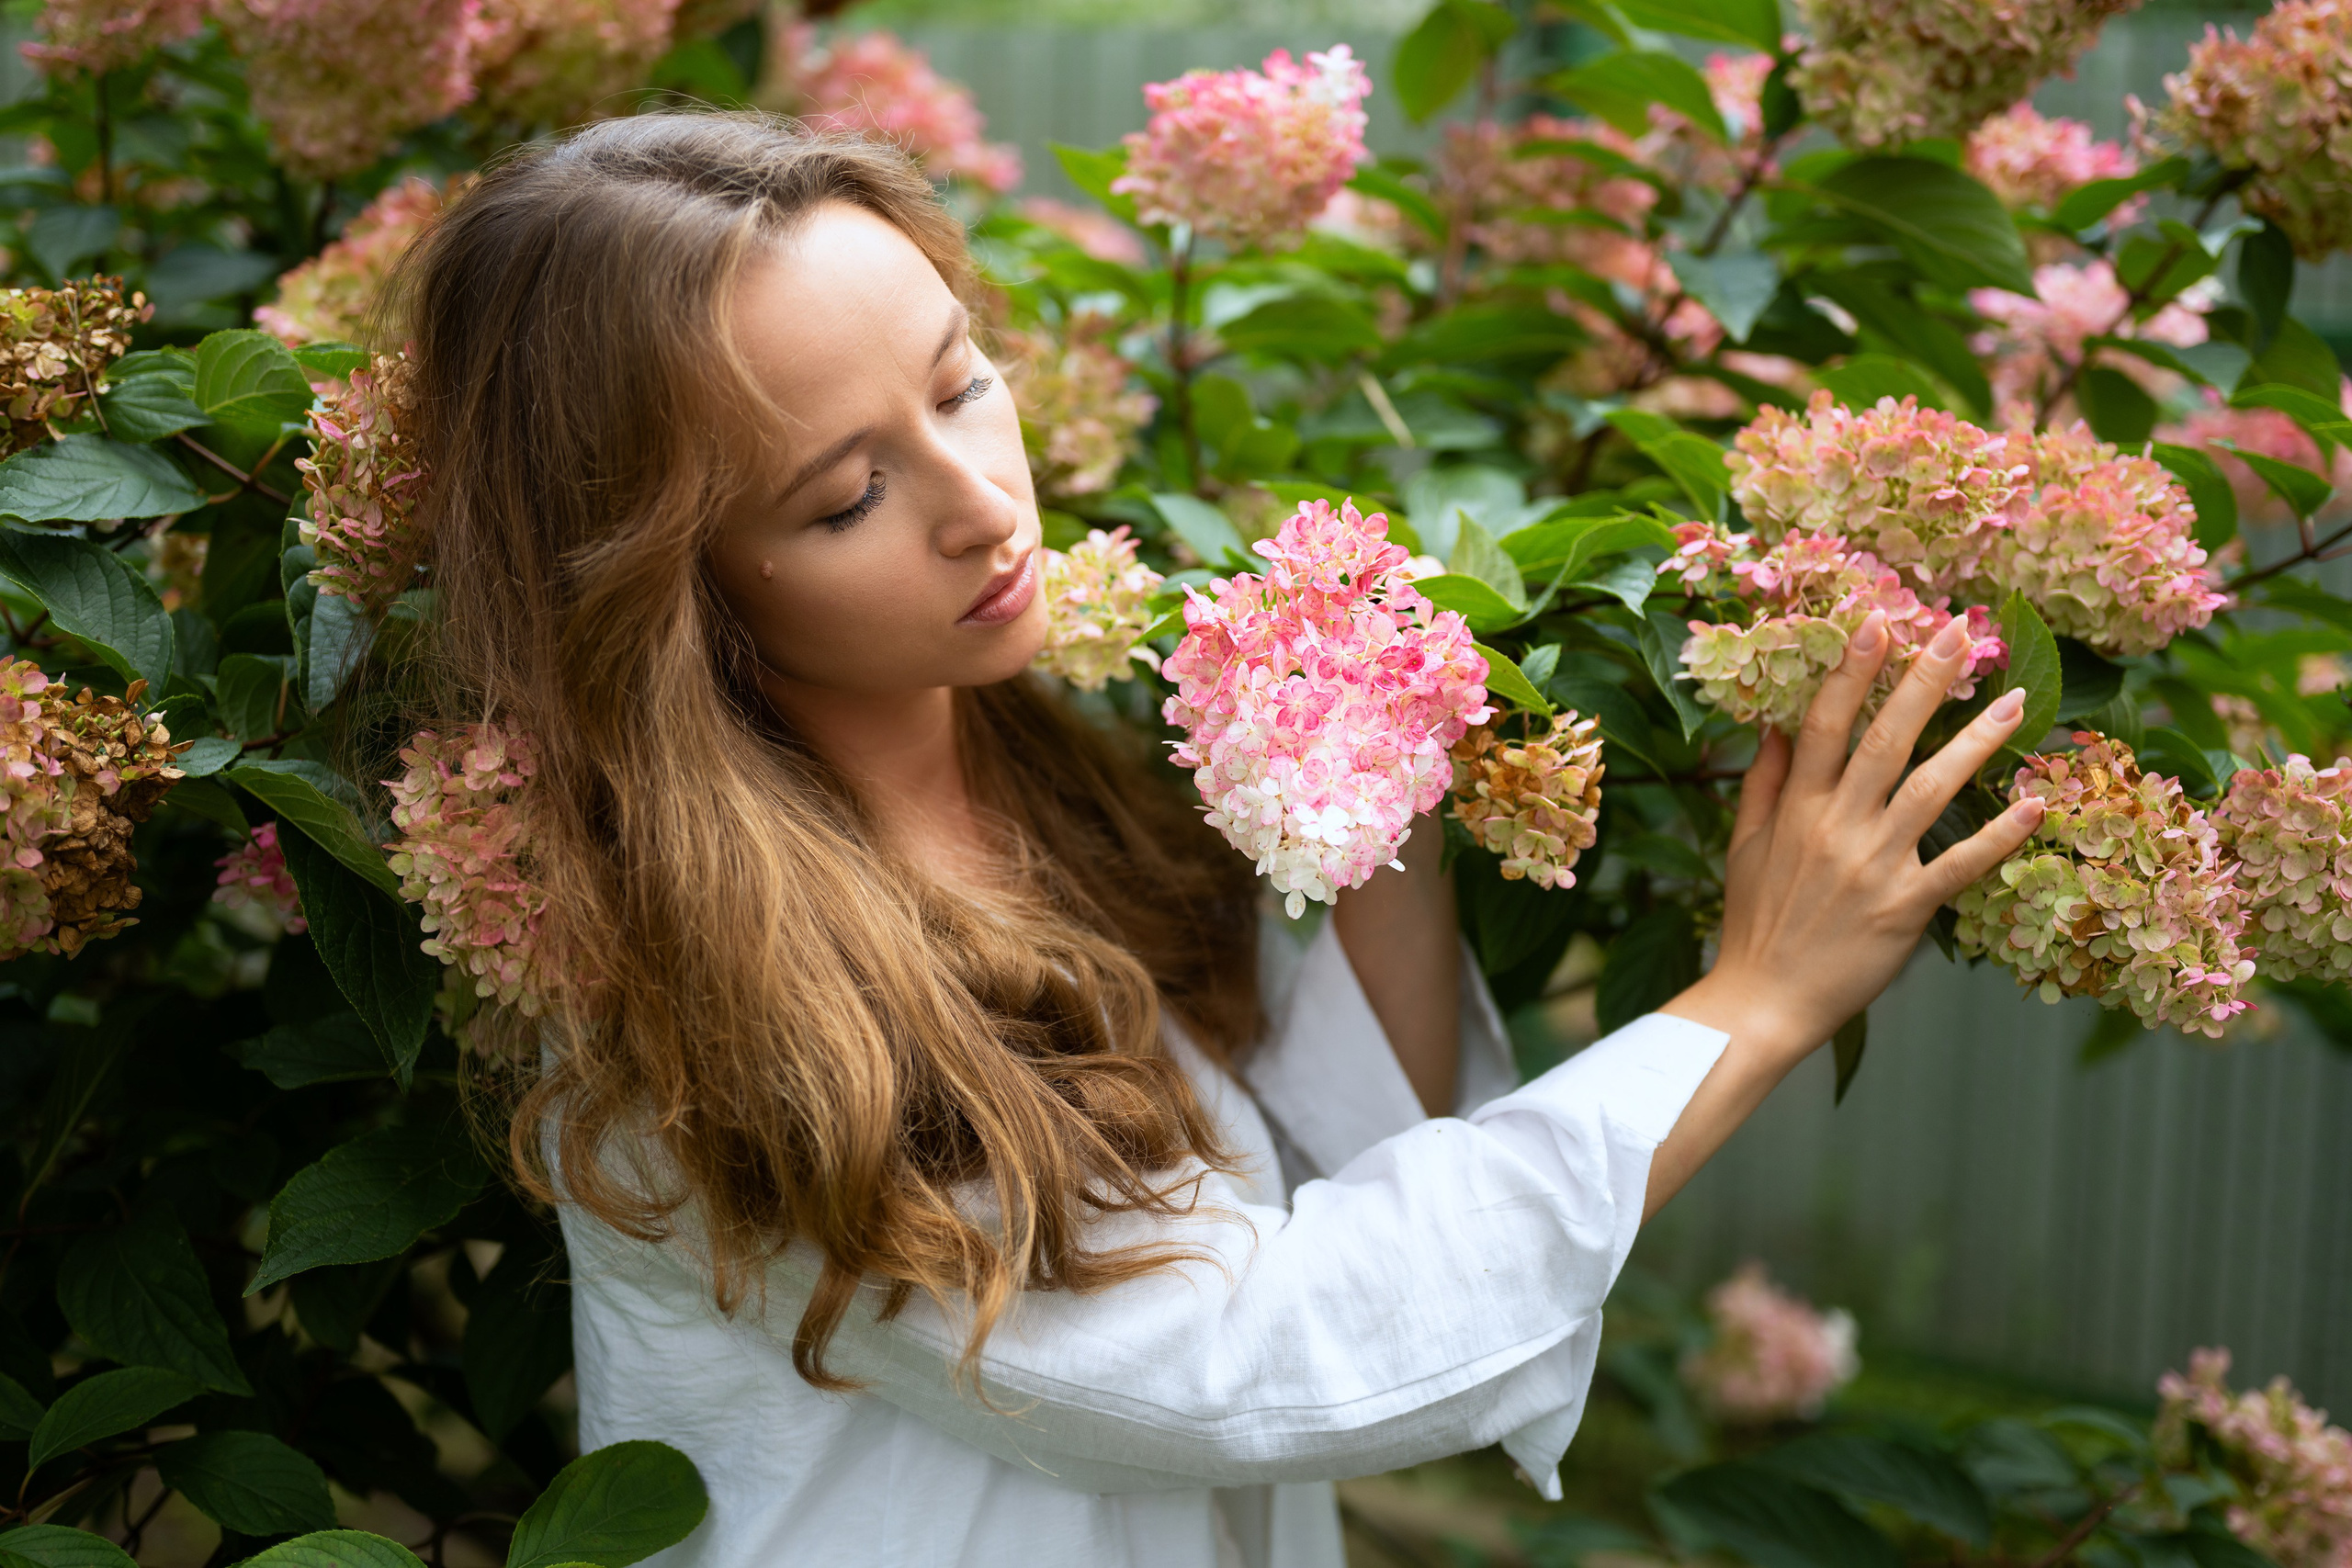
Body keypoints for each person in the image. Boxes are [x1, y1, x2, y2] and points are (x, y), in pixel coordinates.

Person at [392, 112, 2043, 1568]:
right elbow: (1259, 1353)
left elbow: (1318, 1191)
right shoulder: (701, 1018)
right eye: (846, 499)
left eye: (965, 383)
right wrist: (1752, 1004)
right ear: (661, 588)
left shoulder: (1058, 777)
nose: (982, 500)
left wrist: (1380, 785)